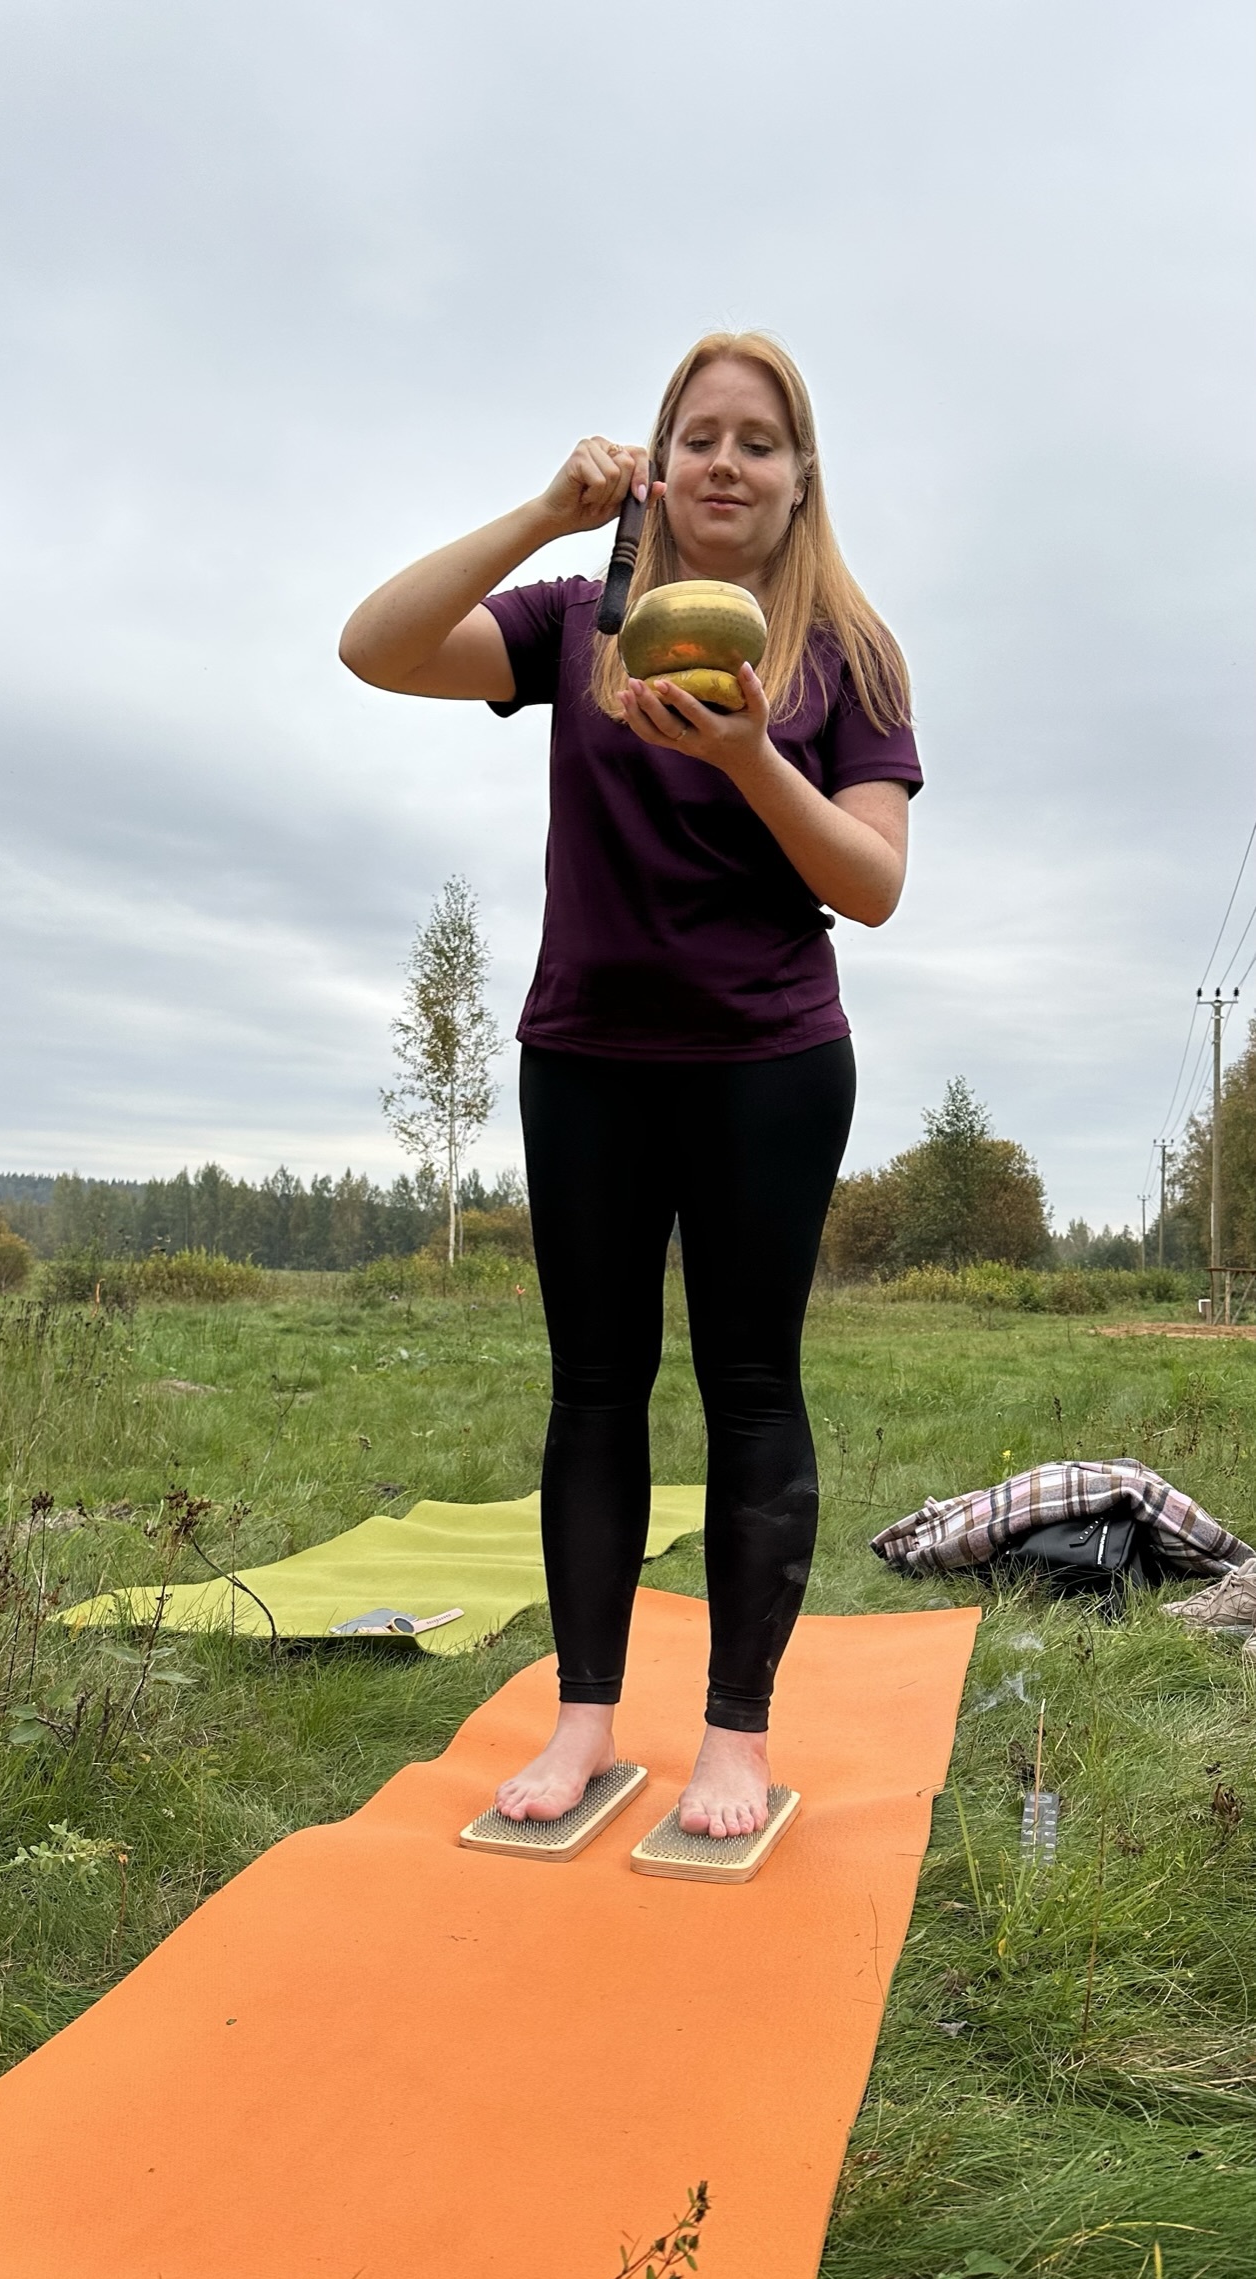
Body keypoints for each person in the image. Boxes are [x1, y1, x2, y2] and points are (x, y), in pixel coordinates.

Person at [339, 331, 922, 1840]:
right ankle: (583, 1720)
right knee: (592, 1389)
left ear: (799, 482)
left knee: (748, 1391)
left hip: (768, 1064)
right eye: (699, 437)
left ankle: (734, 1734)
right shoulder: (577, 622)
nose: (727, 462)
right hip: (584, 1057)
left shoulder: (845, 656)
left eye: (758, 441)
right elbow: (374, 645)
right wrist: (542, 510)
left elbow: (868, 885)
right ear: (655, 474)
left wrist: (745, 757)